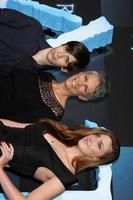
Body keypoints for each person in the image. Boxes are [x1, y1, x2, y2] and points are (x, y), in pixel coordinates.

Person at [0, 118, 120, 200]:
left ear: (97, 158)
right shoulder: (61, 130)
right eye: (97, 135)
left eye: (99, 145)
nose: (92, 139)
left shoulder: (65, 176)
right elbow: (15, 126)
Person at [0, 8, 90, 73]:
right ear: (64, 44)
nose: (59, 55)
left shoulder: (30, 77)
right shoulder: (32, 27)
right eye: (66, 49)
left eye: (66, 60)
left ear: (65, 69)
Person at [0, 69, 109, 122]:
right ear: (81, 73)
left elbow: (15, 121)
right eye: (85, 77)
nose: (80, 82)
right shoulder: (47, 76)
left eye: (85, 88)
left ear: (83, 97)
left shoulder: (54, 113)